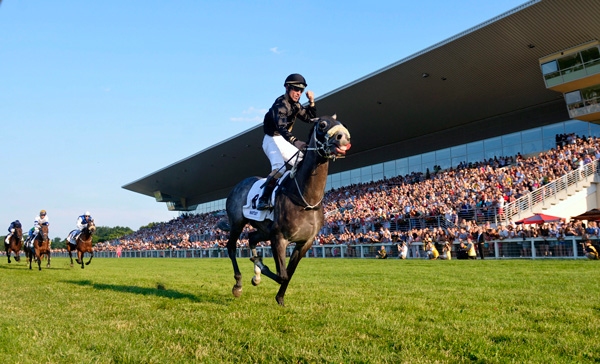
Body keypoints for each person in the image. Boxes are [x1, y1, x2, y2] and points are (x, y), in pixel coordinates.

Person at [256, 73, 317, 210]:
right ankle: (263, 198)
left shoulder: (295, 105)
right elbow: (281, 127)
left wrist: (311, 102)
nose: (298, 93)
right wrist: (295, 142)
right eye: (296, 89)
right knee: (280, 168)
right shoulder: (280, 105)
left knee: (303, 159)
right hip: (271, 139)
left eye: (301, 91)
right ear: (287, 87)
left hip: (282, 140)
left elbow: (309, 117)